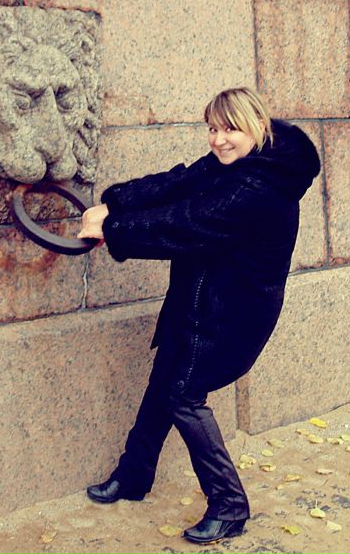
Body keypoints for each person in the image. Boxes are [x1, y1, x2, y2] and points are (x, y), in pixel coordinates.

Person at [77, 87, 321, 544]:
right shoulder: (235, 164)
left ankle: (229, 506)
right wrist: (116, 203)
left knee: (183, 396)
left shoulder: (259, 189)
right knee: (164, 383)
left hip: (229, 317)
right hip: (195, 304)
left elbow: (188, 221)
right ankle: (133, 475)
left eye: (230, 129)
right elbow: (178, 184)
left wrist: (113, 228)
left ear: (257, 127)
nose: (218, 139)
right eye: (212, 128)